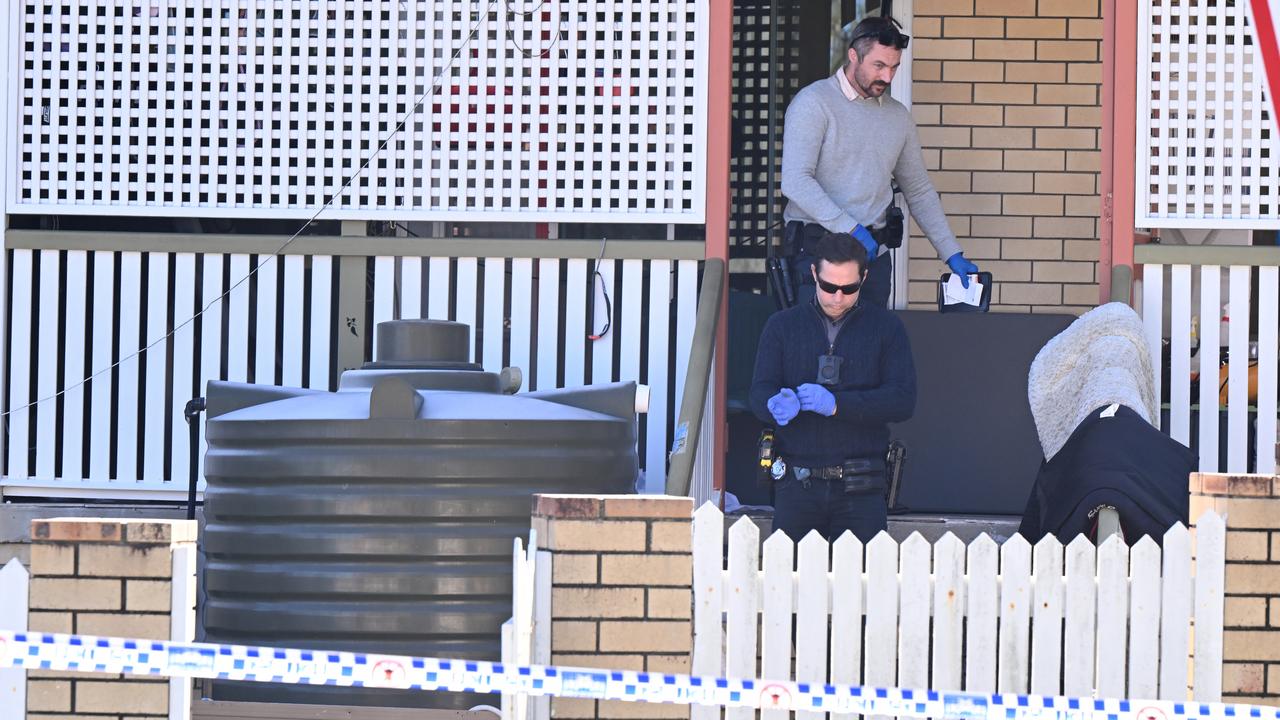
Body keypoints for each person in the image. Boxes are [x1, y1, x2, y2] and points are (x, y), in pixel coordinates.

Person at [780, 15, 979, 307]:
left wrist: (951, 253)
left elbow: (919, 190)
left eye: (894, 67)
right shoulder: (813, 103)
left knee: (871, 349)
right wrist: (850, 228)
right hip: (817, 257)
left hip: (874, 262)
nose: (887, 77)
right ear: (853, 56)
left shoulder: (898, 117)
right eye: (879, 66)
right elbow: (796, 181)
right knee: (815, 350)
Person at [749, 232, 916, 542]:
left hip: (861, 484)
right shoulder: (782, 326)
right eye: (829, 286)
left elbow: (903, 400)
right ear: (814, 274)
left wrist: (839, 405)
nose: (838, 297)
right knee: (790, 581)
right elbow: (759, 391)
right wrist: (774, 404)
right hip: (796, 481)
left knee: (860, 585)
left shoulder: (886, 328)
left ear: (864, 278)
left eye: (849, 288)